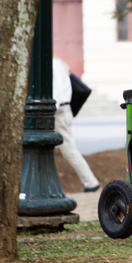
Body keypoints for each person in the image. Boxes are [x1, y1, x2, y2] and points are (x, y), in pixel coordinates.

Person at [52, 57, 100, 193]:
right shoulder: (55, 63)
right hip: (59, 111)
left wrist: (48, 110)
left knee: (69, 151)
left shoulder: (54, 64)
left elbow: (58, 91)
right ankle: (90, 183)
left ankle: (91, 183)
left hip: (59, 113)